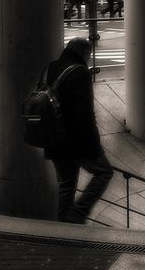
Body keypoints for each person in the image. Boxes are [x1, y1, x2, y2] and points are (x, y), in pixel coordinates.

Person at [43, 38, 114, 224]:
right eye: (89, 56)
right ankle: (77, 214)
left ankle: (64, 227)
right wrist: (94, 146)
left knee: (67, 183)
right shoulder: (80, 72)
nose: (89, 59)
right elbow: (85, 114)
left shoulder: (50, 68)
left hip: (53, 140)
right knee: (104, 172)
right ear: (84, 53)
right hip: (75, 142)